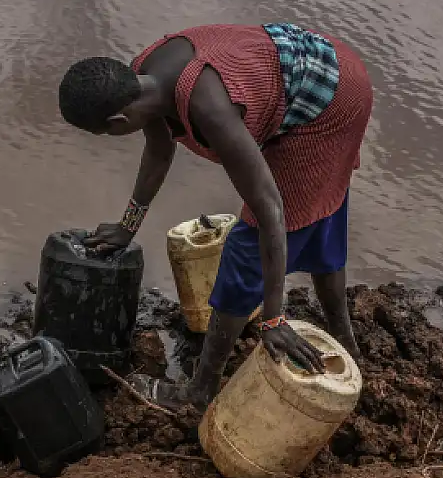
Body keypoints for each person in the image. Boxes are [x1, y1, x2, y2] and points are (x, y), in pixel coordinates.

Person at [57, 23, 372, 410]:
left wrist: (273, 317)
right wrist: (127, 226)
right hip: (323, 64)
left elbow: (269, 207)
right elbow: (159, 150)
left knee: (249, 248)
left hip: (328, 100)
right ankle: (347, 340)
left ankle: (199, 391)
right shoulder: (146, 76)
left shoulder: (209, 106)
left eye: (105, 135)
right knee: (320, 209)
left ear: (119, 122)